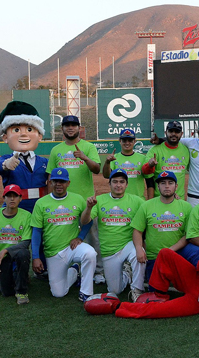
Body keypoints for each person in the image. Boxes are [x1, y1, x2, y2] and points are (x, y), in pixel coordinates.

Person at [0, 101, 49, 288]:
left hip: (39, 207)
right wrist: (6, 165)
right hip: (16, 208)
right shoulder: (6, 159)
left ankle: (44, 269)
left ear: (39, 135)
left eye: (30, 129)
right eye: (16, 129)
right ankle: (4, 272)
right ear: (5, 137)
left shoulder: (44, 161)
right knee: (11, 239)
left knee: (43, 240)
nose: (23, 133)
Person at [46, 115, 105, 284]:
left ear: (79, 128)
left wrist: (84, 157)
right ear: (62, 129)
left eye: (73, 125)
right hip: (63, 202)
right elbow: (51, 176)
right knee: (67, 237)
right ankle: (73, 269)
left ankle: (98, 271)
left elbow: (97, 169)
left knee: (93, 237)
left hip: (86, 202)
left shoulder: (88, 146)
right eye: (67, 125)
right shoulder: (56, 150)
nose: (70, 128)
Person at [31, 168, 96, 302]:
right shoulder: (41, 203)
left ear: (68, 183)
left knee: (90, 253)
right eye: (55, 181)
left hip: (72, 247)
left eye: (62, 181)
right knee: (58, 293)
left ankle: (86, 292)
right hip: (53, 251)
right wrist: (36, 257)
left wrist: (80, 237)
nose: (58, 184)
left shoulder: (77, 199)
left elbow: (88, 221)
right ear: (50, 182)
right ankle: (74, 270)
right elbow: (36, 231)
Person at [81, 169, 146, 302]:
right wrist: (88, 208)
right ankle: (127, 274)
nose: (118, 185)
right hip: (109, 250)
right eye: (115, 182)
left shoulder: (137, 201)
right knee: (114, 290)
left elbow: (152, 210)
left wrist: (174, 199)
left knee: (138, 253)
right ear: (109, 184)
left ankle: (137, 290)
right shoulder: (99, 200)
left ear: (127, 184)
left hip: (129, 244)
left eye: (122, 182)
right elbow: (84, 221)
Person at [131, 171, 199, 285]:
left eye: (170, 183)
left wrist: (170, 251)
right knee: (155, 290)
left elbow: (188, 234)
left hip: (178, 252)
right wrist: (138, 248)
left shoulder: (185, 206)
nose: (166, 186)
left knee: (198, 251)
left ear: (176, 186)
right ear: (158, 186)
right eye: (163, 183)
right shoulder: (147, 205)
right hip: (155, 255)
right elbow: (137, 230)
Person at [0, 185, 32, 304]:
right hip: (2, 260)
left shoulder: (26, 215)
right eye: (9, 196)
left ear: (20, 198)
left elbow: (25, 243)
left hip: (16, 255)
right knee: (7, 292)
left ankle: (22, 292)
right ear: (3, 198)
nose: (12, 199)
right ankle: (17, 276)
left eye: (15, 196)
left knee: (23, 254)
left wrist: (5, 250)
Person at [142, 121, 190, 200]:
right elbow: (145, 172)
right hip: (160, 199)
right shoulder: (155, 150)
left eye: (177, 131)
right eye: (171, 131)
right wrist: (150, 165)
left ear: (181, 134)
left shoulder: (186, 150)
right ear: (165, 132)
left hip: (179, 199)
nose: (174, 134)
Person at [103, 129, 151, 199]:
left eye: (130, 140)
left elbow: (149, 181)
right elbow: (107, 175)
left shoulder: (143, 158)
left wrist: (150, 201)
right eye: (124, 140)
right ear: (120, 141)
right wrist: (107, 162)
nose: (127, 143)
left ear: (134, 141)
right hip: (119, 200)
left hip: (138, 200)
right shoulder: (114, 158)